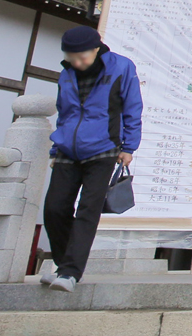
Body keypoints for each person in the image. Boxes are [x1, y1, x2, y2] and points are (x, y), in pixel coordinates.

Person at [40, 25, 141, 292]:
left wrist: (129, 147)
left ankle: (71, 272)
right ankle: (64, 267)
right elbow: (64, 113)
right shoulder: (66, 74)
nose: (78, 62)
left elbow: (132, 108)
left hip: (104, 149)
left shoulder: (121, 67)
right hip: (67, 149)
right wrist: (54, 150)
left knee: (88, 210)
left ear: (97, 49)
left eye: (82, 56)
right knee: (54, 209)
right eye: (72, 57)